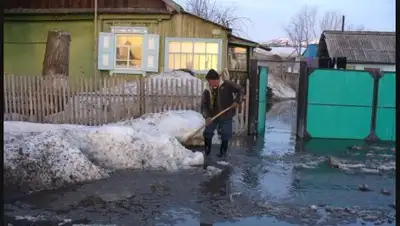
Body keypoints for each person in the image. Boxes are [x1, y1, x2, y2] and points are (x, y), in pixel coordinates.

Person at [201, 69, 243, 158]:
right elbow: (204, 105)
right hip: (212, 116)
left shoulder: (227, 85)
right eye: (208, 81)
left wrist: (237, 101)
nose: (209, 83)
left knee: (226, 134)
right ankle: (207, 152)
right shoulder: (207, 90)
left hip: (226, 114)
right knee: (207, 133)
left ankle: (222, 153)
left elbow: (240, 90)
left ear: (215, 79)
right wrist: (207, 117)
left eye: (210, 81)